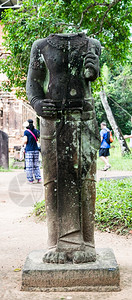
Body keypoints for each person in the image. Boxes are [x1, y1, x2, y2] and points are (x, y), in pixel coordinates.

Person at [22, 119, 41, 183]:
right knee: (36, 165)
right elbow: (37, 138)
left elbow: (25, 141)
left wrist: (22, 144)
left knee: (29, 166)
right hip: (36, 150)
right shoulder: (36, 131)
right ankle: (38, 178)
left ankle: (31, 179)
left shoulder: (26, 132)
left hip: (29, 150)